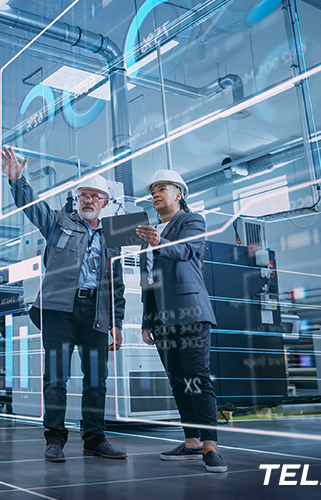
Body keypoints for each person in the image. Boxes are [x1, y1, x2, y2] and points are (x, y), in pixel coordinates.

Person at [0, 145, 126, 463]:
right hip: (58, 312)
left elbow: (117, 284)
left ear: (105, 203)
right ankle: (55, 439)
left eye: (96, 196)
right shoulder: (59, 222)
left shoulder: (113, 237)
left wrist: (117, 322)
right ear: (77, 199)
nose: (89, 200)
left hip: (96, 313)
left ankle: (95, 438)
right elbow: (32, 207)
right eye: (84, 195)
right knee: (56, 377)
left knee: (96, 379)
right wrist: (17, 181)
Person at [135, 169, 227, 473]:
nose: (155, 195)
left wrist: (159, 239)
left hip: (190, 312)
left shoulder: (192, 221)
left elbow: (187, 251)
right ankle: (192, 441)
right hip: (162, 319)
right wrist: (147, 320)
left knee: (196, 377)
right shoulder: (146, 234)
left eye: (162, 188)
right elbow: (148, 282)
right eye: (152, 191)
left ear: (179, 194)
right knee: (177, 380)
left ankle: (210, 446)